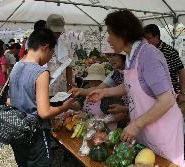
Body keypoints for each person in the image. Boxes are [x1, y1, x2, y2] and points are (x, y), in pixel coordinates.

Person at [87, 10, 185, 166]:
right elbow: (130, 86)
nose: (108, 39)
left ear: (123, 33)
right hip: (146, 130)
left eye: (110, 33)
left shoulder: (149, 55)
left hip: (162, 132)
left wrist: (136, 124)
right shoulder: (131, 56)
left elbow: (166, 100)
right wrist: (104, 91)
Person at [9, 29, 73, 167]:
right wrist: (65, 106)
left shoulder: (17, 65)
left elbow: (11, 99)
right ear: (45, 47)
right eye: (52, 52)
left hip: (16, 129)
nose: (51, 57)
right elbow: (44, 113)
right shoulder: (41, 72)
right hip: (35, 134)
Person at [70, 63, 126, 130]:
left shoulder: (110, 93)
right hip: (86, 128)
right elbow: (79, 104)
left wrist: (103, 119)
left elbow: (121, 114)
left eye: (96, 80)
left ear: (103, 81)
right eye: (91, 81)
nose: (93, 83)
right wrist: (70, 105)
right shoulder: (87, 87)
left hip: (105, 131)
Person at [144, 24, 185, 105]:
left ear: (157, 37)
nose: (146, 42)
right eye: (144, 39)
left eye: (149, 38)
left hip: (170, 93)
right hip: (154, 93)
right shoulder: (148, 51)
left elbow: (181, 72)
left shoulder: (169, 51)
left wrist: (183, 93)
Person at [46, 14, 74, 96]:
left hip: (61, 90)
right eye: (54, 31)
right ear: (47, 28)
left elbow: (69, 67)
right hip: (44, 89)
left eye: (59, 31)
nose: (57, 34)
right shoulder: (40, 45)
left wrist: (69, 87)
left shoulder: (66, 46)